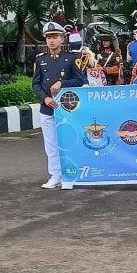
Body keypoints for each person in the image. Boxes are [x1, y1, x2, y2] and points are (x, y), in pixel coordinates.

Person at [33, 21, 87, 189]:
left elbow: (79, 80)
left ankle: (69, 175)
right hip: (48, 107)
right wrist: (44, 98)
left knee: (68, 141)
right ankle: (55, 175)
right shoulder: (40, 60)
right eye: (48, 37)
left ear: (63, 39)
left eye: (55, 37)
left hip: (66, 108)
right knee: (51, 144)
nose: (51, 41)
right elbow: (36, 84)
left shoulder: (71, 58)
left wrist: (62, 83)